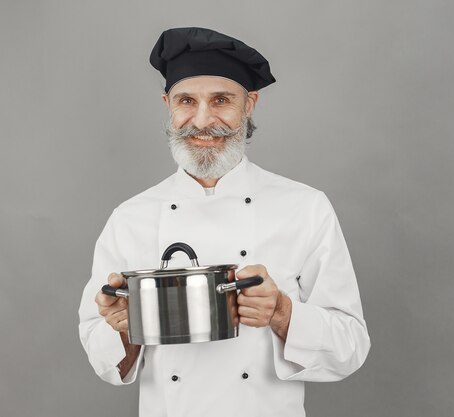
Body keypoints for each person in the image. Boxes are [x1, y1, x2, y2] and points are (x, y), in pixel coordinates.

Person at [78, 27, 370, 417]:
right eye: (186, 100)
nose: (202, 120)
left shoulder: (305, 207)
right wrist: (123, 329)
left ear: (249, 104)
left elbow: (351, 347)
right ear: (168, 104)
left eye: (221, 100)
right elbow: (104, 361)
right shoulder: (130, 217)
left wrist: (282, 312)